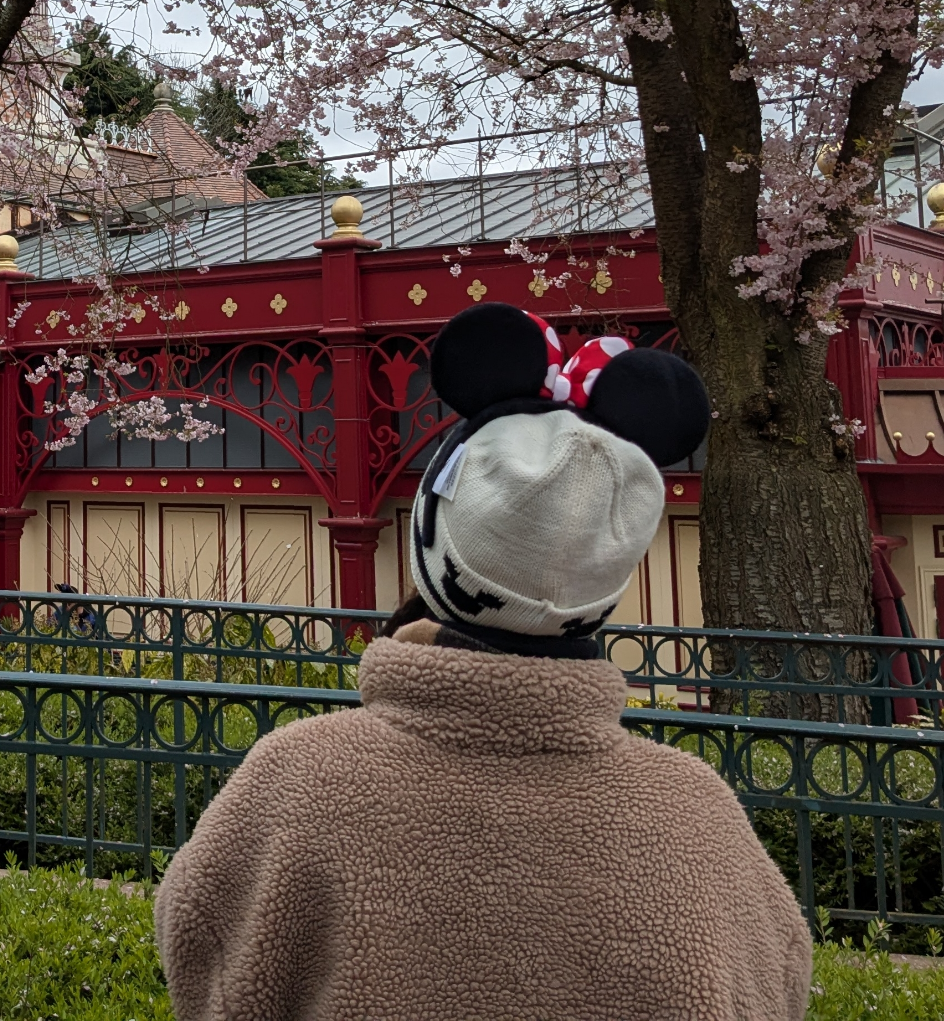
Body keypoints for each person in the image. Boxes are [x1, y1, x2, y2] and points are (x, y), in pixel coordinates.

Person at [154, 304, 812, 1021]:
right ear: (606, 584)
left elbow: (201, 942)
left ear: (435, 543)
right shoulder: (699, 816)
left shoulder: (296, 784)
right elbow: (780, 975)